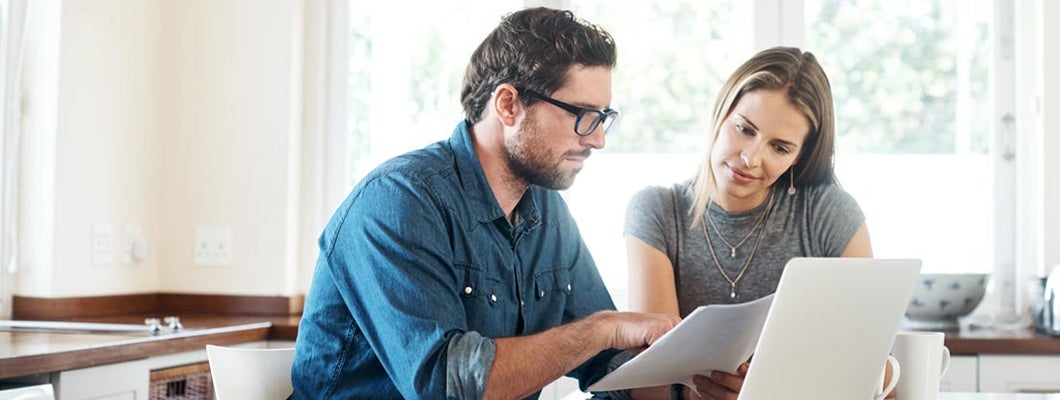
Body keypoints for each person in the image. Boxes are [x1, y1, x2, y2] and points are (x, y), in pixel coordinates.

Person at [291, 7, 678, 399]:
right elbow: (445, 386)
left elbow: (608, 362)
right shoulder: (398, 200)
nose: (597, 139)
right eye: (582, 115)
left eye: (603, 117)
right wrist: (601, 329)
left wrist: (694, 379)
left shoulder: (547, 211)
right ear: (508, 104)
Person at [623, 46, 875, 399]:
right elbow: (651, 388)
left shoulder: (829, 215)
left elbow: (869, 362)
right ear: (721, 112)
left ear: (800, 157)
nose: (750, 158)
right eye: (744, 129)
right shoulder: (657, 212)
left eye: (780, 147)